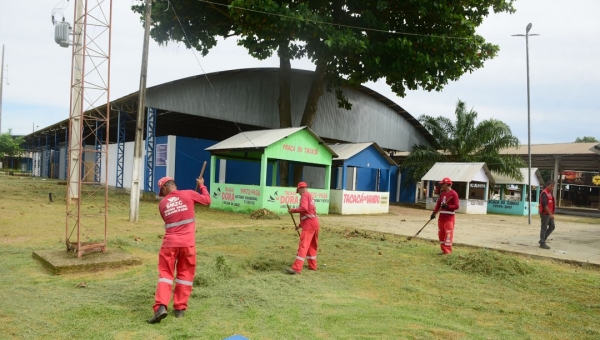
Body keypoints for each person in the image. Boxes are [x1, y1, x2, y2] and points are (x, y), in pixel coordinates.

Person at [147, 175, 211, 324]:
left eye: (161, 192)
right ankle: (179, 309)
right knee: (185, 276)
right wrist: (202, 185)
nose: (161, 195)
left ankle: (161, 306)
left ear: (164, 188)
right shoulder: (189, 194)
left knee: (165, 275)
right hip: (188, 244)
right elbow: (207, 200)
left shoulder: (162, 204)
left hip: (169, 244)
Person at [286, 182, 320, 274]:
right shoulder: (310, 196)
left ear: (300, 189)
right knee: (312, 246)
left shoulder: (304, 195)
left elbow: (304, 208)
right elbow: (310, 213)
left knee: (303, 246)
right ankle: (312, 266)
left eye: (298, 191)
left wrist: (293, 210)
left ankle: (296, 268)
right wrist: (300, 225)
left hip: (309, 225)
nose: (299, 193)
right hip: (315, 224)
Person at [431, 177, 460, 255]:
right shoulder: (442, 194)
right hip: (441, 217)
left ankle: (448, 251)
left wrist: (448, 207)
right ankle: (443, 250)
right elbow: (438, 205)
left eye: (442, 184)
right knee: (441, 234)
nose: (441, 186)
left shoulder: (454, 194)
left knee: (448, 234)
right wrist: (434, 213)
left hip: (449, 218)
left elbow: (457, 206)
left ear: (447, 184)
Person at [539, 179, 556, 250]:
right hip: (545, 213)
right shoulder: (544, 193)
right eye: (551, 186)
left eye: (553, 186)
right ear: (547, 185)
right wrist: (550, 214)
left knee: (552, 226)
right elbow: (545, 204)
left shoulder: (550, 192)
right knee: (544, 228)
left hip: (549, 213)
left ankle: (542, 240)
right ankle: (542, 243)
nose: (552, 188)